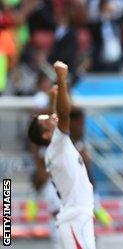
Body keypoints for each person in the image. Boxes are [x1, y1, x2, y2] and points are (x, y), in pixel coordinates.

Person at [27, 61, 95, 249]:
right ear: (46, 134)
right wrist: (62, 78)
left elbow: (58, 114)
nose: (51, 117)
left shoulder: (55, 147)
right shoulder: (58, 143)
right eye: (47, 120)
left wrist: (56, 97)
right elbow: (64, 114)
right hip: (75, 220)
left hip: (75, 219)